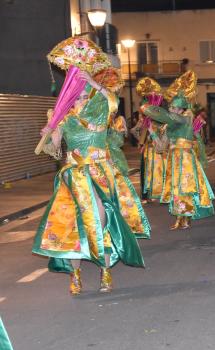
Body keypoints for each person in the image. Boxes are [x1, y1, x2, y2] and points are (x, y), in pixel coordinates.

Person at [33, 38, 146, 295]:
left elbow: (112, 102)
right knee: (72, 225)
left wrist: (94, 82)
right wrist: (51, 133)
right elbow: (55, 150)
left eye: (84, 92)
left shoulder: (98, 106)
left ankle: (105, 271)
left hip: (98, 170)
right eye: (77, 93)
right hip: (73, 172)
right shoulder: (63, 114)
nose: (80, 97)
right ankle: (75, 275)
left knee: (97, 217)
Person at [142, 88, 215, 230]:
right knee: (175, 189)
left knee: (185, 187)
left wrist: (152, 110)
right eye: (171, 107)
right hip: (173, 159)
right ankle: (178, 218)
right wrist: (152, 132)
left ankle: (186, 217)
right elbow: (161, 147)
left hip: (186, 158)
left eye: (175, 108)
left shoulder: (186, 119)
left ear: (182, 110)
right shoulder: (168, 126)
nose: (173, 110)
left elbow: (169, 117)